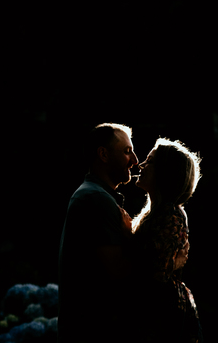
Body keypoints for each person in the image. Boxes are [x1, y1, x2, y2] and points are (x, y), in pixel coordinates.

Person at [58, 122, 139, 342]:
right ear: (103, 154)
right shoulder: (96, 199)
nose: (135, 161)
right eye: (126, 152)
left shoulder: (94, 195)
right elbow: (119, 274)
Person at [129, 138, 203, 343]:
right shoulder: (155, 213)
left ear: (165, 173)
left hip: (163, 318)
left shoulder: (170, 215)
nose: (141, 165)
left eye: (149, 161)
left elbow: (155, 276)